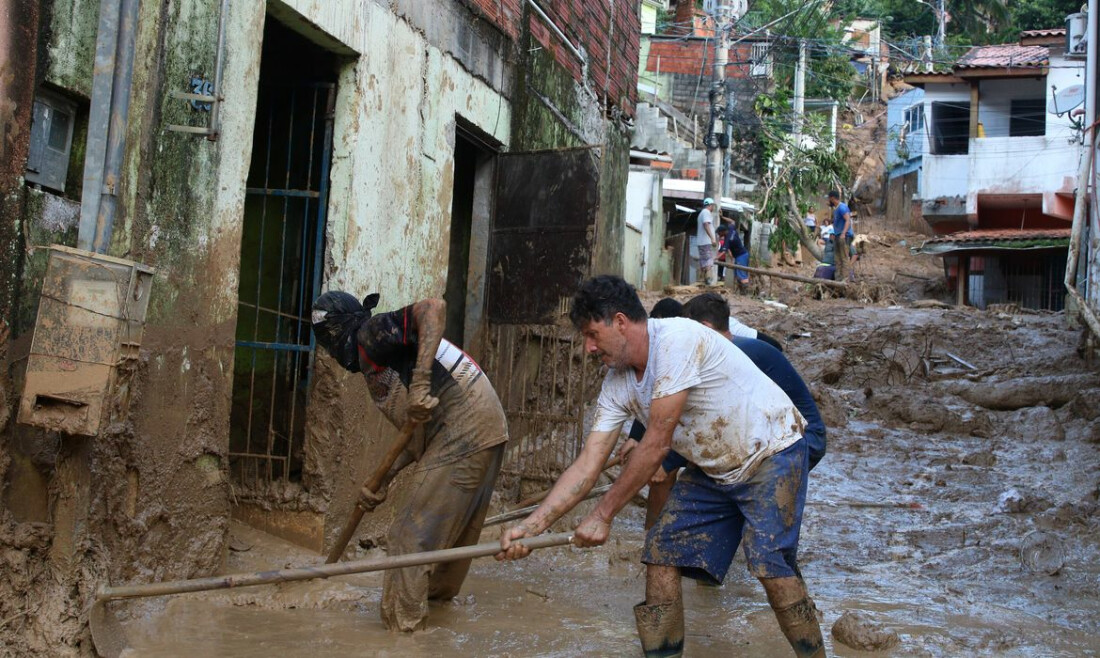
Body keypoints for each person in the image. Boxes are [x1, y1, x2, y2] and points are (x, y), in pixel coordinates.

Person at [497, 276, 826, 658]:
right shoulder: (617, 384)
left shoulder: (676, 340)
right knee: (661, 551)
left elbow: (656, 445)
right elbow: (588, 464)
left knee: (770, 565)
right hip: (715, 468)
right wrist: (530, 527)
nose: (587, 348)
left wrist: (603, 515)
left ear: (620, 322)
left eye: (591, 334)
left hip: (773, 450)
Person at [311, 292, 508, 632]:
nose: (330, 352)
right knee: (449, 538)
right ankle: (438, 623)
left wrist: (418, 385)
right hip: (484, 425)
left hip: (465, 424)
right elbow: (417, 434)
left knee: (407, 535)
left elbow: (433, 307)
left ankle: (404, 636)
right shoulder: (379, 362)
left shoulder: (369, 334)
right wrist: (383, 480)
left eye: (327, 342)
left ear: (337, 332)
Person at [827, 191, 854, 281]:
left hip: (844, 236)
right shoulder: (836, 209)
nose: (829, 200)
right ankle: (838, 280)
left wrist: (843, 233)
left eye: (829, 198)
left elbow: (848, 220)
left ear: (832, 198)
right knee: (837, 259)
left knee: (844, 258)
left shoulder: (842, 207)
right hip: (838, 236)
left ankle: (845, 279)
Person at [716, 222, 750, 288]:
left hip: (741, 256)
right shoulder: (731, 229)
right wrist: (723, 217)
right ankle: (741, 290)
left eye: (719, 232)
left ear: (723, 232)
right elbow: (732, 221)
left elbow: (724, 252)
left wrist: (715, 258)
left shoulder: (728, 240)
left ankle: (745, 291)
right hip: (741, 255)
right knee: (738, 273)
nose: (718, 234)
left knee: (741, 273)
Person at [696, 198, 720, 286]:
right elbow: (706, 224)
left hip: (701, 242)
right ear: (710, 205)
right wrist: (712, 238)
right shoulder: (706, 212)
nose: (713, 207)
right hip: (706, 241)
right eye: (713, 205)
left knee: (703, 261)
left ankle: (702, 280)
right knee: (709, 260)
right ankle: (708, 280)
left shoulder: (701, 213)